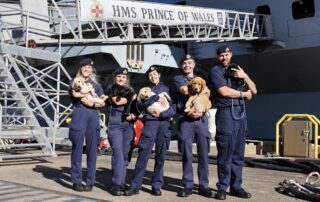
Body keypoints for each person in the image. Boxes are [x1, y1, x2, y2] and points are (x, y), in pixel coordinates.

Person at [209, 46, 257, 200]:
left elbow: (254, 90)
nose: (224, 57)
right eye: (221, 55)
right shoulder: (215, 71)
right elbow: (224, 91)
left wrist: (245, 75)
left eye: (227, 54)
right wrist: (244, 94)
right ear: (218, 57)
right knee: (225, 152)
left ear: (231, 55)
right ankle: (222, 188)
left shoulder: (237, 70)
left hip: (241, 113)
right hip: (226, 113)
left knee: (238, 153)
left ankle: (236, 187)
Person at [124, 66, 176, 196]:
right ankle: (135, 185)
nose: (153, 76)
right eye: (150, 75)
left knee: (160, 157)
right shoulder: (144, 90)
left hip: (164, 123)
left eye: (154, 74)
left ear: (159, 74)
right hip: (150, 124)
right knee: (143, 155)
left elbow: (174, 107)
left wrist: (162, 115)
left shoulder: (168, 89)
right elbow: (140, 106)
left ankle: (156, 185)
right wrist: (155, 98)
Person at [173, 55, 214, 198]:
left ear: (194, 64)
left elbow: (209, 100)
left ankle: (204, 186)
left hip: (201, 119)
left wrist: (203, 110)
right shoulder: (178, 79)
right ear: (181, 66)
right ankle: (187, 185)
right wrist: (204, 90)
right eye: (184, 63)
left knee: (203, 154)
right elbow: (186, 91)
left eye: (189, 63)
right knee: (186, 154)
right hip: (186, 119)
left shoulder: (201, 79)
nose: (187, 65)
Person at [68, 58, 104, 192]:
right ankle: (76, 181)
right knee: (77, 148)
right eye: (84, 67)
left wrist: (94, 103)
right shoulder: (74, 81)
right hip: (79, 113)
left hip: (93, 115)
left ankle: (90, 180)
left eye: (89, 67)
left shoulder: (95, 85)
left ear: (91, 70)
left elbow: (103, 101)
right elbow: (75, 93)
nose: (87, 69)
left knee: (92, 150)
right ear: (80, 68)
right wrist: (89, 97)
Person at [104, 67, 137, 196]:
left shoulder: (131, 90)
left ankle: (121, 181)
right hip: (115, 124)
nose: (121, 78)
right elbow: (117, 101)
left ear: (127, 79)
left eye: (124, 77)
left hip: (128, 125)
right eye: (119, 76)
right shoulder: (110, 88)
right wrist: (132, 97)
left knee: (126, 154)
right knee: (118, 153)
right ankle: (117, 184)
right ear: (115, 78)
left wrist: (134, 115)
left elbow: (136, 108)